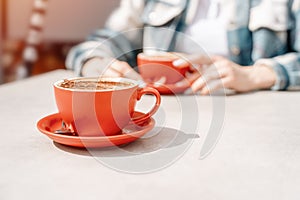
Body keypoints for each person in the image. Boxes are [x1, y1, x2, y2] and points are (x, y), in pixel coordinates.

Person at [66, 0, 300, 95]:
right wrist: (96, 64)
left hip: (256, 125)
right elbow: (102, 40)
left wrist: (258, 74)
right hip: (159, 120)